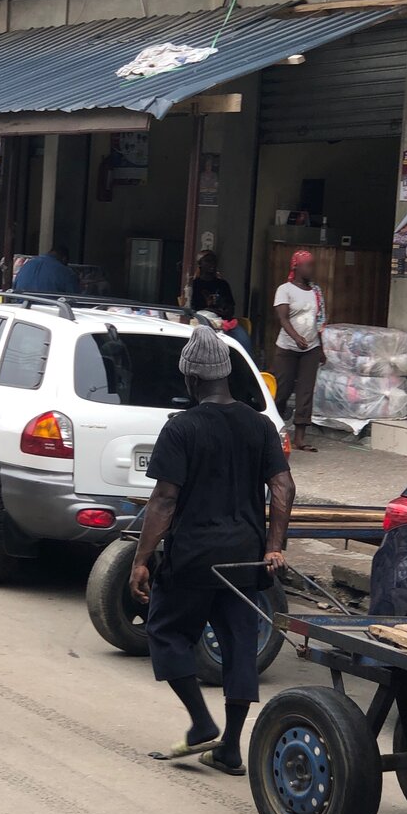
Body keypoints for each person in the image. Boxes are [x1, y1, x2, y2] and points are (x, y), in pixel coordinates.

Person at [129, 326, 295, 775]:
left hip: (193, 558)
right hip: (245, 558)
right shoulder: (259, 425)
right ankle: (231, 747)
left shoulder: (181, 429)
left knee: (165, 632)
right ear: (225, 374)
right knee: (240, 645)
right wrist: (274, 547)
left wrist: (142, 559)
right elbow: (282, 486)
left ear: (192, 380)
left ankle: (202, 722)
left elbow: (164, 499)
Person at [273, 250, 327, 453]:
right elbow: (283, 319)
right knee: (282, 390)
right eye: (308, 265)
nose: (311, 269)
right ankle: (274, 431)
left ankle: (300, 438)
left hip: (310, 348)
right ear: (296, 266)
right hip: (287, 347)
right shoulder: (284, 290)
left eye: (313, 265)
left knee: (305, 392)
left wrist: (320, 347)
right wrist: (296, 337)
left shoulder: (316, 291)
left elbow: (319, 321)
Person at [190, 249, 251, 354]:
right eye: (208, 261)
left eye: (214, 261)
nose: (212, 264)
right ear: (200, 264)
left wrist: (223, 311)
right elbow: (193, 308)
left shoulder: (223, 284)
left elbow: (231, 307)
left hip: (224, 322)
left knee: (244, 340)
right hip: (201, 322)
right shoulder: (194, 285)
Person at [12, 246, 79, 295]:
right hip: (49, 311)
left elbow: (14, 287)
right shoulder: (65, 272)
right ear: (64, 259)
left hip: (22, 308)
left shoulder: (27, 265)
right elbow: (75, 298)